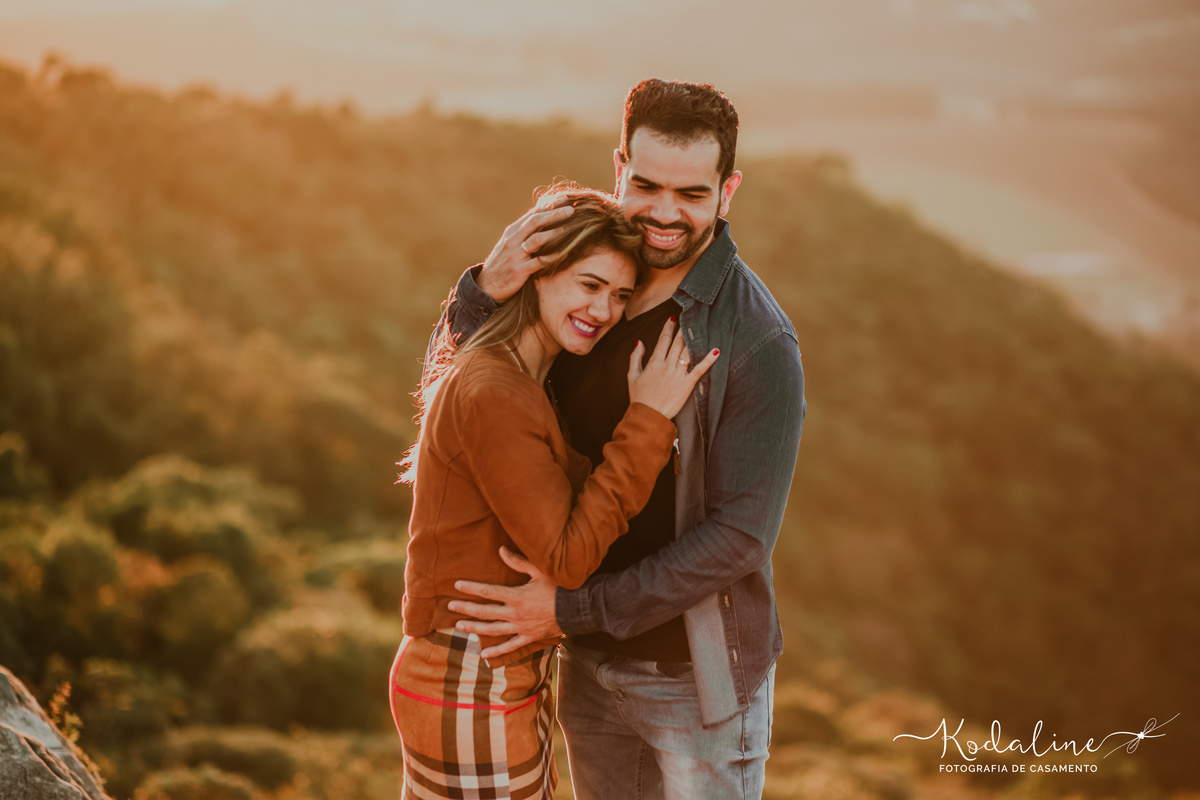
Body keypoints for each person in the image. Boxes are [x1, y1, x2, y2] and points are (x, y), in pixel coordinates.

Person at [432, 79, 806, 799]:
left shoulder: (755, 340)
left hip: (692, 679)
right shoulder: (589, 282)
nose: (666, 213)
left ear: (727, 192)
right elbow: (476, 396)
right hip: (583, 663)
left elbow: (740, 538)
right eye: (648, 185)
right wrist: (482, 291)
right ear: (619, 168)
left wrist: (572, 609)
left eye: (692, 194)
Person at [390, 184, 720, 800]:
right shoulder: (495, 389)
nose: (605, 310)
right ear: (538, 276)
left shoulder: (523, 375)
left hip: (491, 676)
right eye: (589, 285)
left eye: (621, 295)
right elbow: (566, 557)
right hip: (467, 677)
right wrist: (647, 421)